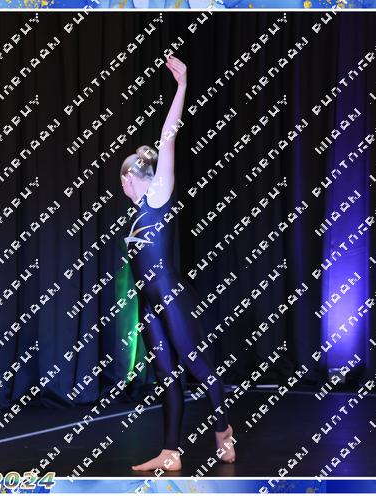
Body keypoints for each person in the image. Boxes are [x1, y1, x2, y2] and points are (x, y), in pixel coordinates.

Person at [120, 55, 235, 472]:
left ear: (130, 178)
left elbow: (168, 138)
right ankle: (170, 451)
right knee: (166, 376)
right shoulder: (136, 214)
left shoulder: (158, 194)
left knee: (196, 365)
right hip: (148, 303)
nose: (122, 186)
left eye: (122, 180)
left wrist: (182, 85)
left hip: (168, 295)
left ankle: (223, 430)